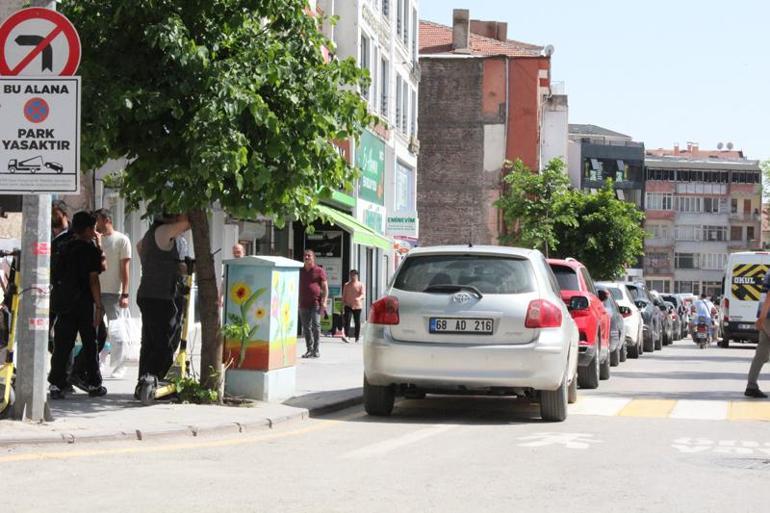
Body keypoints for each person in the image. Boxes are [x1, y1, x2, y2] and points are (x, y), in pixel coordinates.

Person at [48, 211, 107, 399]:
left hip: (65, 303)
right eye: (94, 228)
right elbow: (93, 280)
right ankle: (94, 383)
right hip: (84, 303)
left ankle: (57, 384)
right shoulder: (89, 250)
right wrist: (99, 305)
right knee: (90, 343)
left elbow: (55, 275)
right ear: (89, 229)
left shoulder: (63, 247)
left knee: (62, 345)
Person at [135, 213, 190, 396]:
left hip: (149, 293)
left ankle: (144, 382)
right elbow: (187, 223)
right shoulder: (163, 230)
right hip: (159, 296)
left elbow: (139, 247)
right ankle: (156, 383)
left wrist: (154, 265)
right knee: (163, 342)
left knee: (151, 341)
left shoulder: (153, 234)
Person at [94, 208, 132, 377]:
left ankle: (120, 366)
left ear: (106, 220)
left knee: (116, 332)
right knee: (96, 331)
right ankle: (99, 362)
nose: (96, 224)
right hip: (95, 290)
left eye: (98, 220)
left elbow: (125, 268)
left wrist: (125, 293)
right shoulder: (96, 240)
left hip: (113, 292)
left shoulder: (122, 240)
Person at [298, 249, 327, 358]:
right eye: (305, 256)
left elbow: (325, 288)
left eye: (309, 256)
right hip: (303, 303)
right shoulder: (300, 270)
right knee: (306, 327)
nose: (306, 257)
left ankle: (316, 349)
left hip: (316, 303)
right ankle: (309, 349)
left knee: (316, 325)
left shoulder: (319, 271)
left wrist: (324, 301)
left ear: (313, 258)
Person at [747, 272, 770, 398]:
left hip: (765, 318)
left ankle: (751, 385)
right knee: (762, 354)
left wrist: (761, 318)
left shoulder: (768, 274)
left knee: (762, 353)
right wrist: (762, 318)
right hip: (768, 317)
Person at [341, 269, 364, 343]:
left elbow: (363, 294)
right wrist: (342, 304)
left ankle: (357, 337)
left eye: (354, 274)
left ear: (357, 275)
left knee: (357, 322)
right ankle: (347, 336)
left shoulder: (361, 284)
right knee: (347, 320)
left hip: (357, 306)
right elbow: (344, 295)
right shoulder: (346, 285)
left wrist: (359, 298)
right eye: (351, 274)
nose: (352, 276)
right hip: (348, 305)